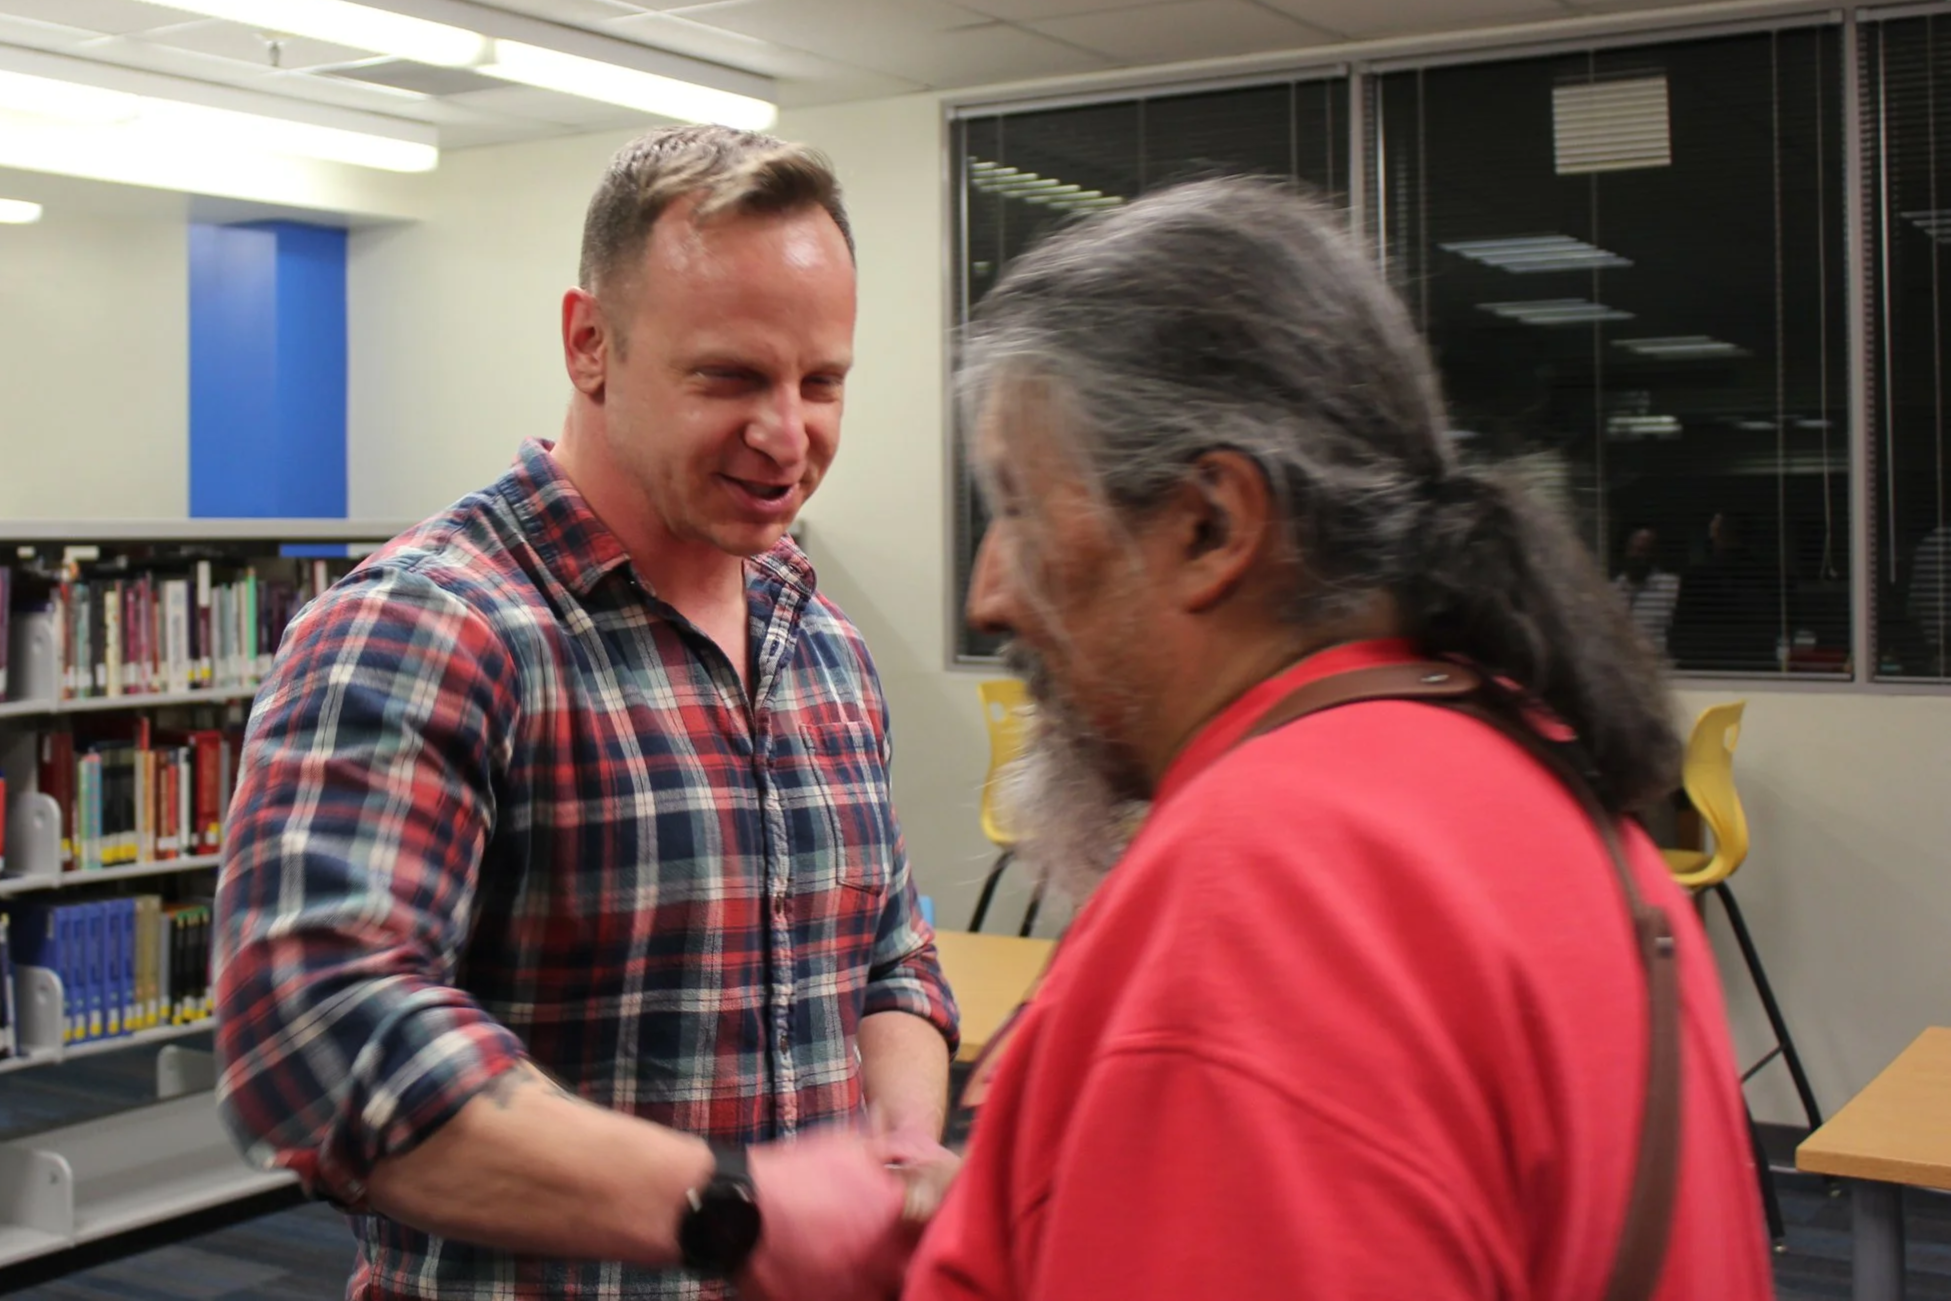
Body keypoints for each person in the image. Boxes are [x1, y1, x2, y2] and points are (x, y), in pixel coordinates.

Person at [904, 178, 1771, 1300]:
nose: (988, 593)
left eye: (1018, 507)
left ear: (1210, 524)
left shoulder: (1266, 896)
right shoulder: (1510, 764)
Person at [214, 125, 960, 1301]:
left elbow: (888, 954)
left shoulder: (822, 644)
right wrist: (733, 1212)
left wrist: (903, 1153)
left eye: (821, 382)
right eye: (728, 376)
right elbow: (314, 1035)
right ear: (590, 343)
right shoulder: (428, 630)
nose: (787, 434)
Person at [1667, 510, 1780, 672]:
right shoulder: (1769, 576)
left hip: (1707, 669)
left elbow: (1680, 633)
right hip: (1755, 668)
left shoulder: (1698, 577)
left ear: (1717, 536)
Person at [1614, 526, 1681, 656]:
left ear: (1654, 554)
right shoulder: (1611, 591)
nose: (1635, 555)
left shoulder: (1670, 587)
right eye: (1632, 549)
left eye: (1642, 550)